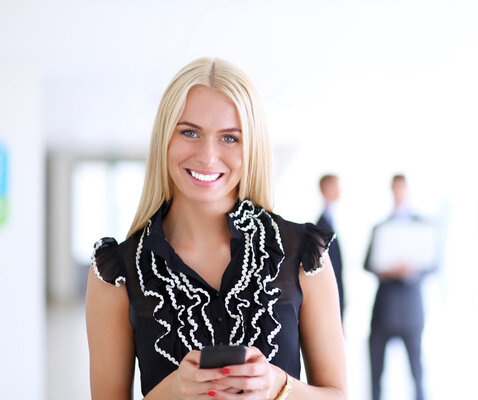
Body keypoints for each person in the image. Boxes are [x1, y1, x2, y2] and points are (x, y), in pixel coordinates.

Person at [86, 57, 347, 400]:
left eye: (229, 138)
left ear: (251, 147)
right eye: (190, 132)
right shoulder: (118, 271)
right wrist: (174, 391)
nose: (207, 157)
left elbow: (338, 395)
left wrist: (277, 386)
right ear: (165, 137)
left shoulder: (303, 255)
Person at [364, 174, 431, 400]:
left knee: (417, 372)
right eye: (396, 189)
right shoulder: (381, 227)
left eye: (402, 189)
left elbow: (433, 264)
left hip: (411, 311)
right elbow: (367, 263)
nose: (399, 194)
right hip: (384, 309)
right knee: (376, 373)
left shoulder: (422, 226)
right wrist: (385, 269)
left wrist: (412, 270)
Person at [316, 174, 344, 319]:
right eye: (336, 186)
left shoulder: (333, 221)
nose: (340, 190)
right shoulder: (322, 226)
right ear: (325, 188)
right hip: (329, 305)